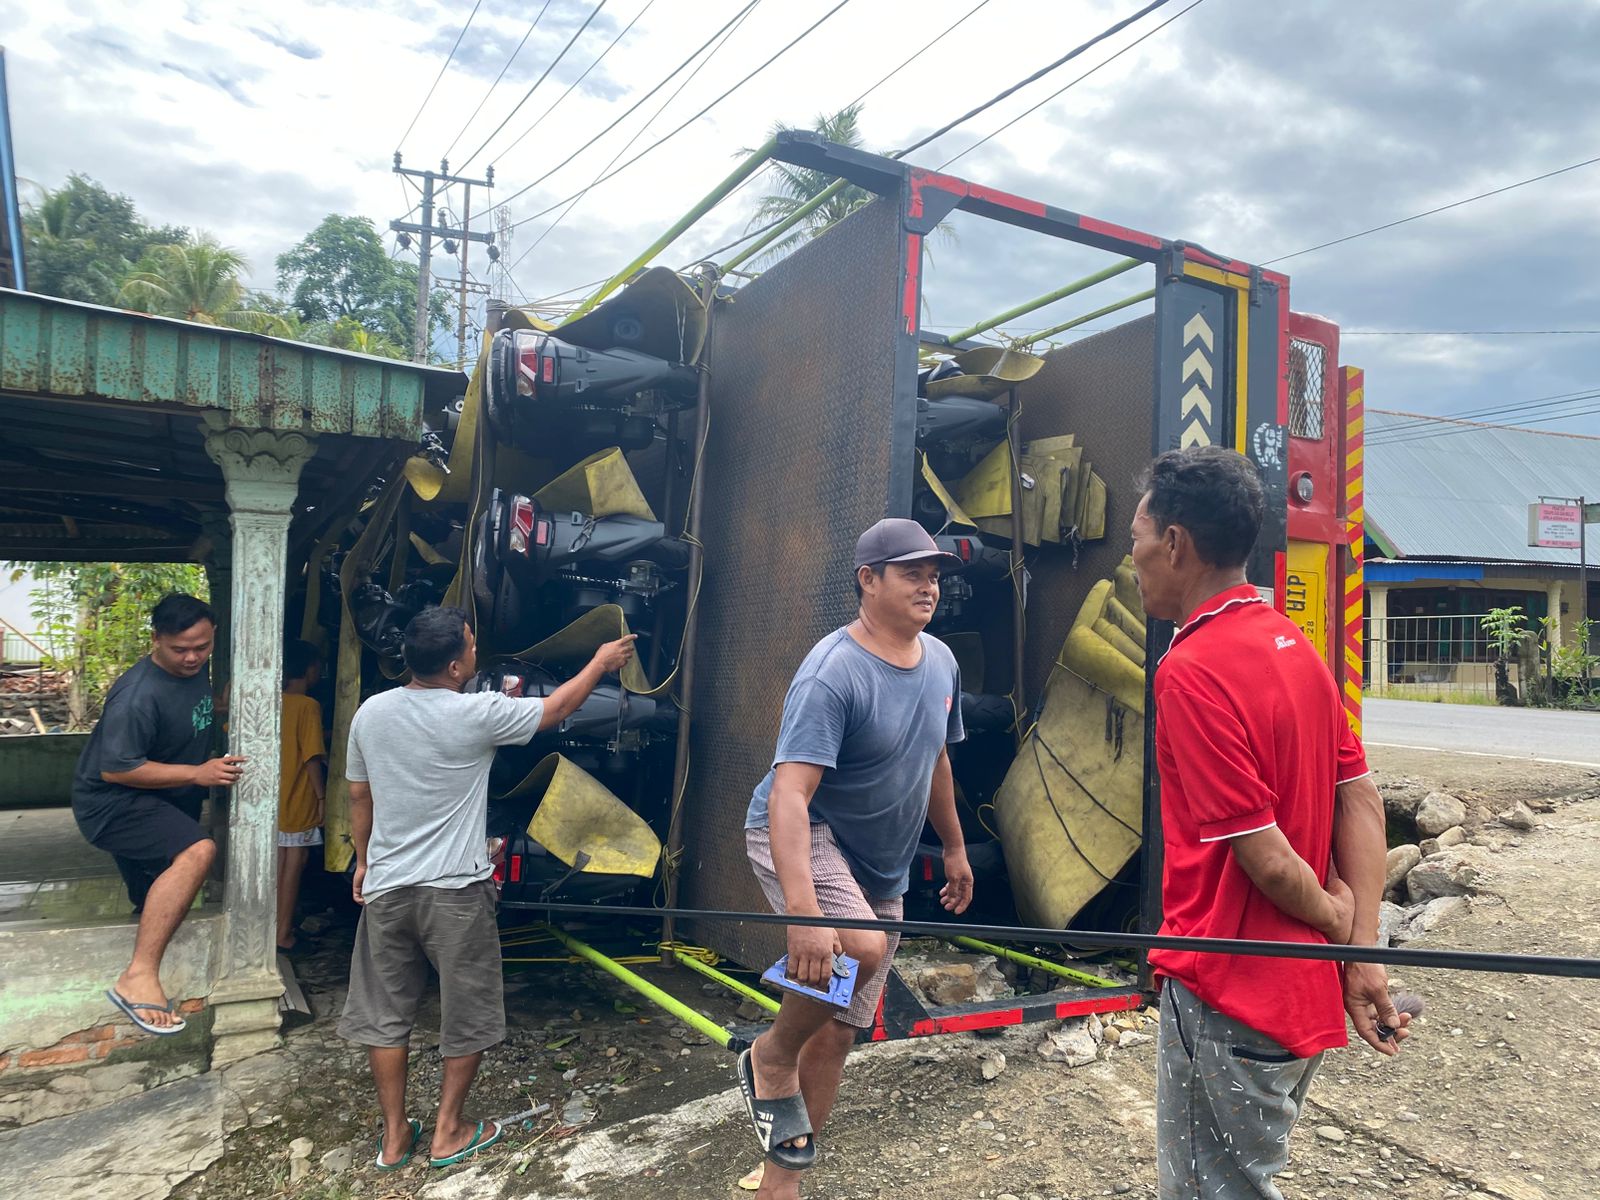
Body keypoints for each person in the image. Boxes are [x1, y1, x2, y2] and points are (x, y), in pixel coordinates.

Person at [1129, 447, 1409, 1200]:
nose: (1134, 558)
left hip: (1230, 992)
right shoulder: (1295, 645)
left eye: (1137, 539)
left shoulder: (1190, 670)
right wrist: (1359, 953)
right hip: (1300, 990)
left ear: (1176, 543)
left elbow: (1270, 861)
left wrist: (1334, 911)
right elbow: (1363, 802)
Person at [337, 606, 637, 1171]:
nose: (476, 654)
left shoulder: (369, 715)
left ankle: (396, 1137)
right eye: (471, 648)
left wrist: (363, 862)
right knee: (467, 1011)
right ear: (455, 666)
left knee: (385, 1013)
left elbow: (360, 798)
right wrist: (600, 660)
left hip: (387, 888)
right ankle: (448, 1131)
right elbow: (561, 707)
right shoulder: (476, 713)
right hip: (455, 893)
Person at [736, 518, 974, 1200]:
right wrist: (805, 914)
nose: (928, 585)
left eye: (933, 575)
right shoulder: (833, 672)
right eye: (911, 573)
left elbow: (935, 758)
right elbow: (789, 794)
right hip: (803, 834)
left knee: (841, 1033)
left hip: (881, 863)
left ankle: (782, 1183)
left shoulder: (942, 662)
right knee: (859, 949)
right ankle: (771, 1054)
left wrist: (954, 847)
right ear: (868, 581)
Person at [71, 593, 242, 1036]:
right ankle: (138, 975)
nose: (191, 658)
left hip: (162, 799)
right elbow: (118, 768)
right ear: (155, 640)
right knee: (198, 851)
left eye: (201, 647)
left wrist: (219, 710)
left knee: (150, 899)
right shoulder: (136, 694)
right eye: (179, 649)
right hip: (113, 803)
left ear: (212, 638)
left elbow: (187, 711)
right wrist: (199, 772)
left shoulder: (195, 672)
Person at [277, 639, 327, 954]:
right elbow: (311, 757)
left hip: (274, 797)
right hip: (298, 796)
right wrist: (322, 797)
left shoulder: (269, 701)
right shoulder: (307, 705)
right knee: (295, 863)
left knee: (279, 863)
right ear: (309, 669)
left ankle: (274, 926)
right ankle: (282, 933)